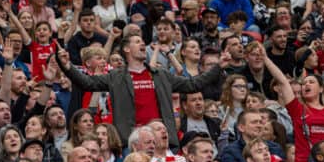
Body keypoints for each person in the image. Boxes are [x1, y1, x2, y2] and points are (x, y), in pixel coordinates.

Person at [57, 35, 227, 149]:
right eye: (137, 42)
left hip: (162, 142)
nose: (142, 45)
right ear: (126, 49)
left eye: (142, 42)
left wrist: (219, 67)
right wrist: (67, 66)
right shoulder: (116, 77)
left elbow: (193, 84)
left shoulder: (160, 75)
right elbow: (87, 82)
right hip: (131, 144)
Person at [220, 109, 285, 162]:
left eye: (260, 122)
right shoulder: (230, 152)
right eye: (254, 122)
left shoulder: (275, 147)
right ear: (241, 127)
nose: (259, 125)